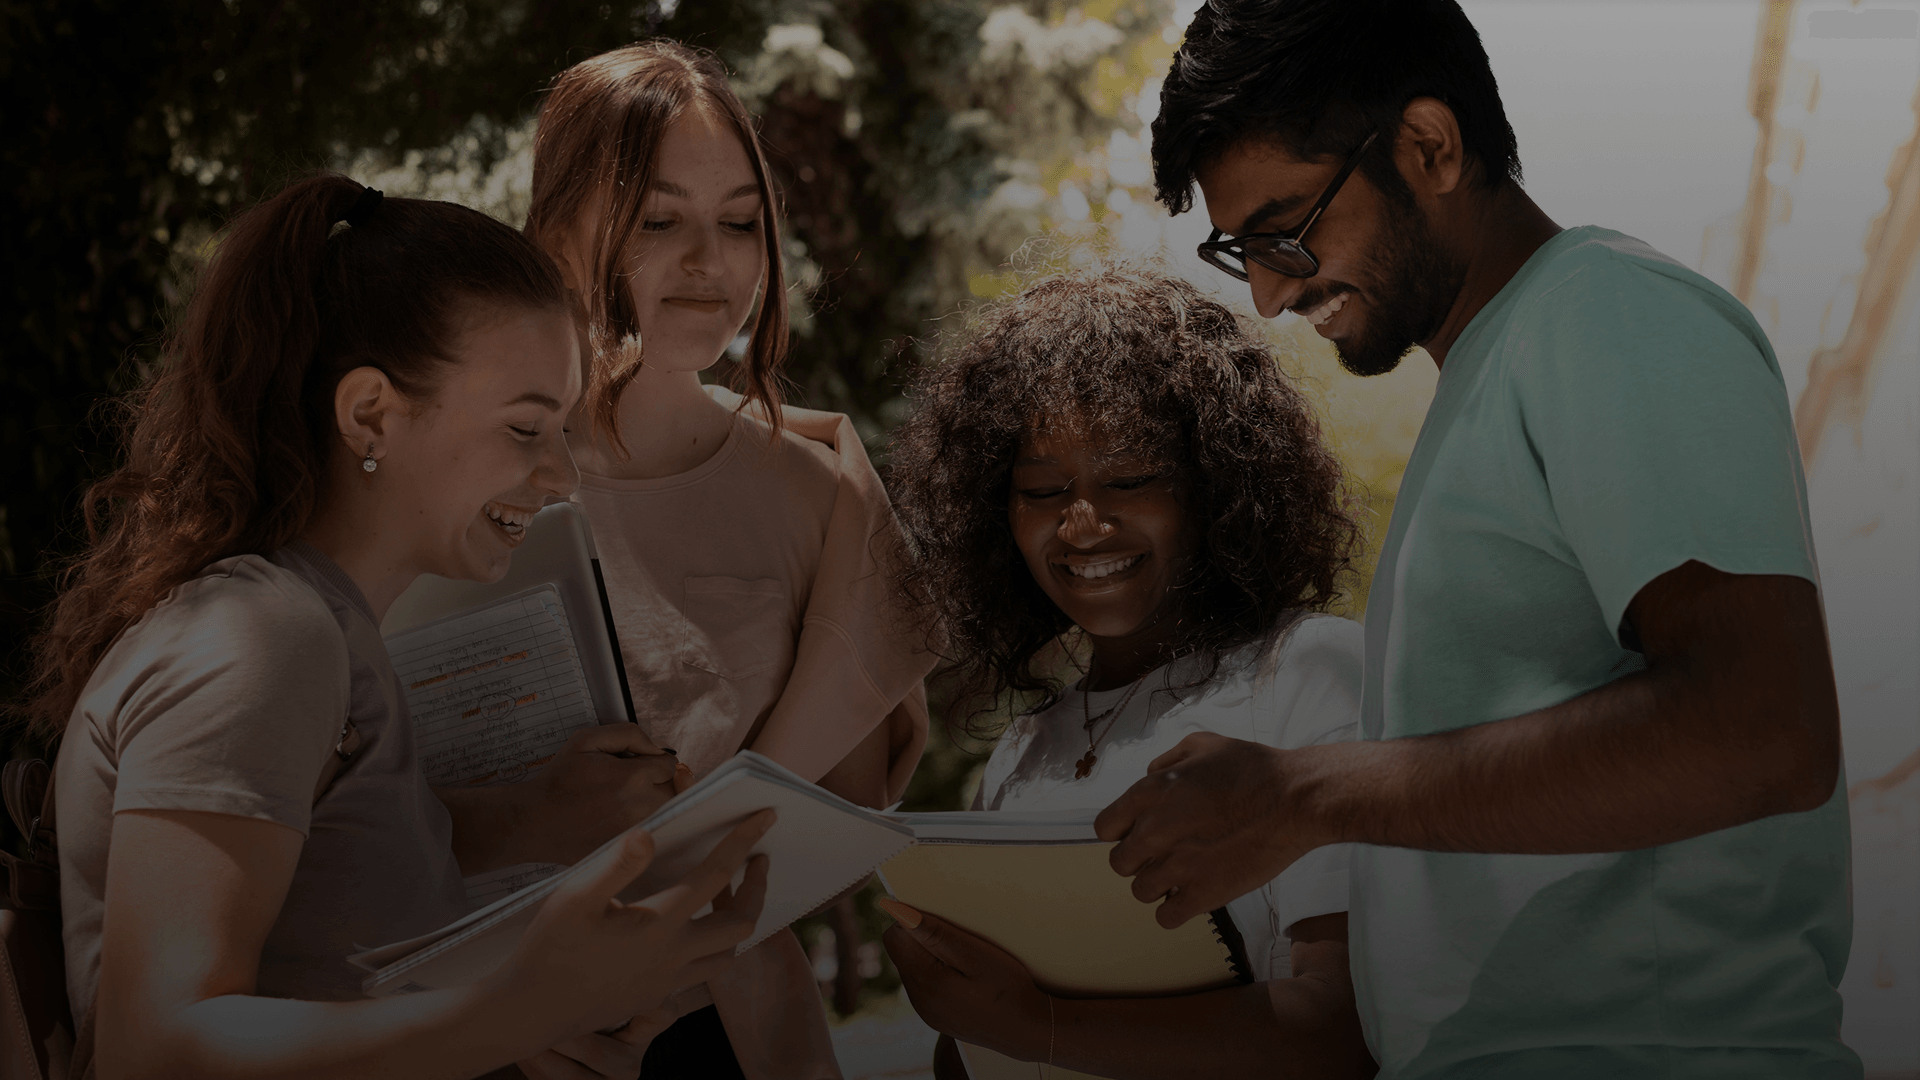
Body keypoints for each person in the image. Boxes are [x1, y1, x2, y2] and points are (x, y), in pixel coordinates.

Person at [1094, 1, 1861, 1077]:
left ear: (1430, 146)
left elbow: (1764, 730)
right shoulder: (1496, 374)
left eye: (1286, 228)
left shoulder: (1610, 311)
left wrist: (1303, 795)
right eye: (1242, 252)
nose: (1268, 294)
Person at [20, 174, 773, 1080]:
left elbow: (324, 942)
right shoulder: (264, 639)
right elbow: (152, 1051)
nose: (562, 476)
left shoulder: (321, 632)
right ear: (370, 414)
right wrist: (524, 1009)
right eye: (526, 429)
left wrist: (535, 1012)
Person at [522, 41, 935, 1080]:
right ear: (557, 228)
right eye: (658, 221)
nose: (710, 261)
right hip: (493, 1024)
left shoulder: (819, 495)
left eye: (741, 222)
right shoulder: (472, 480)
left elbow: (843, 815)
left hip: (726, 1032)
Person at [875, 263, 1376, 1079]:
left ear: (1216, 483)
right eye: (1043, 490)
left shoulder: (1305, 674)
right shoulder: (1024, 752)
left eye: (1131, 479)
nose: (1081, 524)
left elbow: (1342, 1033)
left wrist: (1035, 1027)